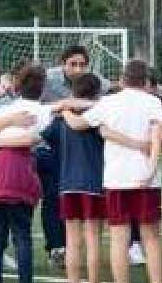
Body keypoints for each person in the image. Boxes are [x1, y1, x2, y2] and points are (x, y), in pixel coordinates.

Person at [62, 60, 162, 283]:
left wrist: (65, 108)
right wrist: (152, 167)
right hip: (145, 178)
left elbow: (78, 125)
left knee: (119, 239)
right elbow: (157, 138)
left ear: (122, 80)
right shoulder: (152, 102)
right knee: (151, 239)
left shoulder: (108, 103)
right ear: (145, 82)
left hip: (116, 178)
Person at [0, 63, 56, 283]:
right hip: (20, 169)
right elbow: (32, 139)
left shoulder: (5, 109)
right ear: (42, 88)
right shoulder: (44, 113)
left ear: (17, 86)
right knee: (22, 234)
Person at [41, 72, 115, 283]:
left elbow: (47, 136)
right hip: (93, 183)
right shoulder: (99, 112)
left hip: (67, 184)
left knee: (72, 242)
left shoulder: (62, 117)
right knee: (93, 240)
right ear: (96, 93)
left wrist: (63, 109)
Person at [38, 46, 113, 268]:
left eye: (82, 64)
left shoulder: (96, 84)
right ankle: (56, 247)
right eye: (73, 64)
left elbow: (110, 96)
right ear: (62, 64)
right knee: (53, 200)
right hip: (55, 149)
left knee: (82, 228)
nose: (78, 68)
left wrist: (67, 108)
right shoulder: (47, 79)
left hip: (79, 158)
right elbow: (36, 108)